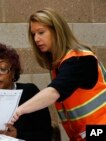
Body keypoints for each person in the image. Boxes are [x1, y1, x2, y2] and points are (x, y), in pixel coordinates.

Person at [11, 8, 106, 141]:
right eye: (33, 34)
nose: (36, 39)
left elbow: (53, 92)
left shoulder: (80, 59)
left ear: (57, 31)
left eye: (41, 32)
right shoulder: (59, 65)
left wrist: (18, 111)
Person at [0, 43, 53, 141]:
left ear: (13, 72)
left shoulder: (29, 92)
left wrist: (18, 134)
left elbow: (46, 134)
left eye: (3, 69)